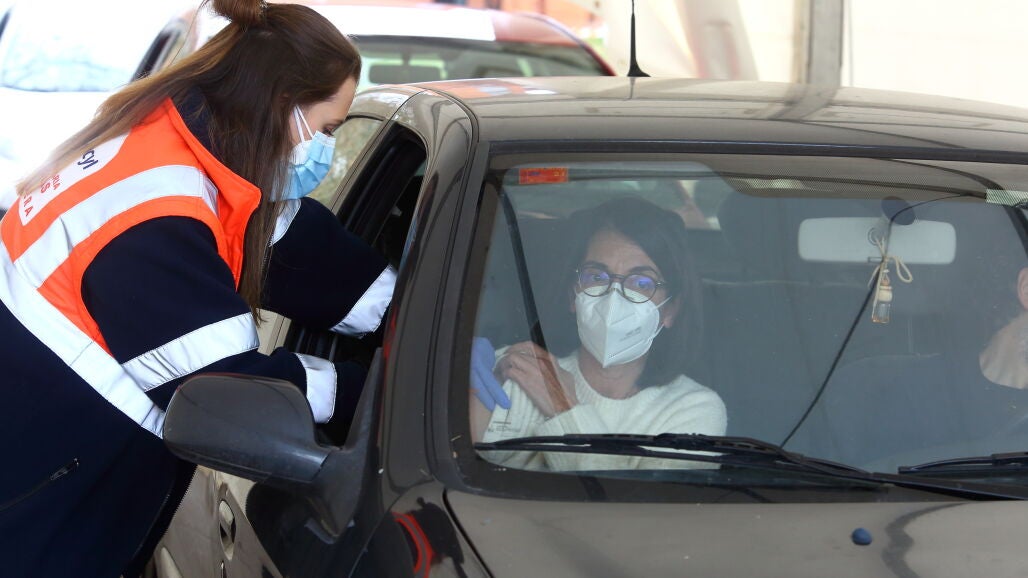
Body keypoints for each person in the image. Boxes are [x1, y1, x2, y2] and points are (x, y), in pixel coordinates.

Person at [0, 1, 394, 576]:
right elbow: (226, 385)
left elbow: (289, 245)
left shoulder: (184, 151)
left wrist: (423, 313)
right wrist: (385, 395)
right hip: (39, 501)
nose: (323, 149)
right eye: (327, 129)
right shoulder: (155, 216)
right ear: (281, 105)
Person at [469, 197, 727, 472]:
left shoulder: (694, 409)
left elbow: (627, 497)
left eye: (642, 282)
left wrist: (563, 405)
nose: (614, 297)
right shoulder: (514, 367)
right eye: (596, 277)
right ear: (573, 296)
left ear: (671, 310)